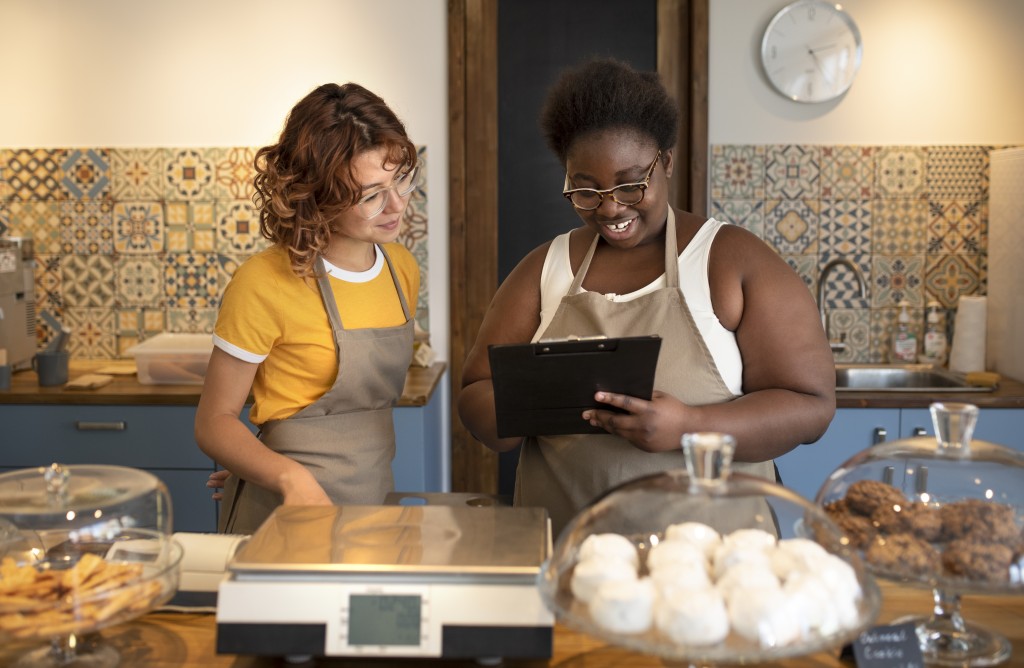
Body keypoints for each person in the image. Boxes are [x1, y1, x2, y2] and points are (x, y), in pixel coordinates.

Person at [457, 59, 836, 536]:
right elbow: (475, 393)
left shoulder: (731, 261)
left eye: (631, 183)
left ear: (667, 162)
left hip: (713, 565)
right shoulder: (545, 269)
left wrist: (689, 427)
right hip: (574, 558)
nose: (611, 208)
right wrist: (524, 405)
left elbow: (811, 405)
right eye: (586, 191)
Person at [195, 82, 421, 534]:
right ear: (317, 194)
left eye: (402, 179)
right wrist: (283, 474)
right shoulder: (264, 283)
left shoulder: (401, 270)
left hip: (371, 509)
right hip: (285, 515)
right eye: (371, 194)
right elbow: (214, 422)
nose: (397, 204)